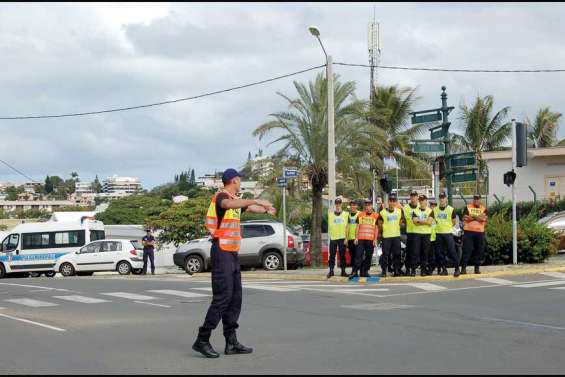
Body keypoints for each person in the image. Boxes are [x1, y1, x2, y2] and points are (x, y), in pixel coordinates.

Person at [193, 168, 276, 359]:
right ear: (234, 180)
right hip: (221, 252)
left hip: (231, 254)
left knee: (235, 297)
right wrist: (256, 199)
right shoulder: (222, 196)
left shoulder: (236, 201)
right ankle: (202, 339)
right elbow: (229, 204)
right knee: (222, 297)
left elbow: (245, 207)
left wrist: (265, 209)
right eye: (239, 180)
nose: (240, 182)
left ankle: (231, 342)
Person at [350, 199, 380, 278]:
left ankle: (365, 271)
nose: (367, 207)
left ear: (371, 206)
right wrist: (356, 237)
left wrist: (375, 239)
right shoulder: (360, 215)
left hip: (370, 240)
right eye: (366, 205)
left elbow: (376, 228)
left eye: (369, 205)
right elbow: (357, 226)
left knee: (369, 256)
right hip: (360, 239)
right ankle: (355, 271)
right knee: (358, 255)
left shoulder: (376, 215)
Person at [433, 192, 460, 277]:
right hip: (438, 234)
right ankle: (444, 269)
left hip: (448, 234)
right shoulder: (435, 210)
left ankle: (457, 269)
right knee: (440, 253)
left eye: (443, 197)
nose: (442, 199)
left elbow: (454, 221)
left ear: (446, 199)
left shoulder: (451, 209)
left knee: (452, 252)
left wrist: (447, 227)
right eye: (440, 197)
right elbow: (432, 220)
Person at [378, 193, 404, 277]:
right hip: (386, 237)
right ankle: (384, 271)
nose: (392, 202)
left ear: (396, 202)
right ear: (388, 202)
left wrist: (401, 225)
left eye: (394, 201)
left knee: (397, 254)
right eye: (390, 201)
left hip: (396, 236)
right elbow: (379, 225)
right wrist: (381, 233)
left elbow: (402, 222)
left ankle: (396, 270)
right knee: (385, 255)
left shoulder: (399, 211)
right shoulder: (382, 212)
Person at [461, 193, 488, 275]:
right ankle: (463, 269)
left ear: (480, 199)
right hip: (468, 232)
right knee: (466, 250)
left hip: (480, 232)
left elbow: (484, 218)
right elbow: (465, 218)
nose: (476, 200)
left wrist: (472, 217)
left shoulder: (484, 209)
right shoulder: (468, 207)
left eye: (478, 199)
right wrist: (477, 217)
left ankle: (477, 269)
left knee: (479, 251)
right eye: (475, 198)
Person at [412, 194, 435, 277]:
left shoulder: (430, 211)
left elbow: (429, 222)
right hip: (417, 234)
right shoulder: (415, 211)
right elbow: (414, 221)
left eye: (423, 200)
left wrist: (419, 221)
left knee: (425, 253)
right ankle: (413, 270)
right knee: (415, 252)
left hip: (426, 235)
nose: (421, 202)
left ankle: (423, 270)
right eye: (420, 200)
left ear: (426, 201)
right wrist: (425, 221)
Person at [327, 198, 349, 278]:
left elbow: (347, 227)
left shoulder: (346, 214)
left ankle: (343, 271)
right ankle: (331, 271)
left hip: (342, 238)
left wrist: (346, 238)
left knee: (342, 255)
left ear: (341, 204)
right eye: (337, 203)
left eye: (339, 203)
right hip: (333, 238)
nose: (338, 205)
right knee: (332, 256)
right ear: (335, 204)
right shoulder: (330, 214)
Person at [402, 191, 419, 276]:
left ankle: (413, 269)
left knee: (415, 252)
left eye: (415, 196)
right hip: (409, 233)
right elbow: (403, 220)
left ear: (417, 197)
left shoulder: (420, 207)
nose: (413, 198)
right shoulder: (405, 208)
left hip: (418, 232)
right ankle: (408, 268)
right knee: (408, 252)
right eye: (412, 196)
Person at [346, 200, 361, 275]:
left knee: (357, 256)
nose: (353, 206)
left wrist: (357, 237)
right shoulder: (348, 215)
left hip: (357, 239)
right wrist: (346, 237)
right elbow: (347, 227)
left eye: (354, 205)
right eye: (351, 205)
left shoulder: (360, 214)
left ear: (357, 206)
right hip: (350, 238)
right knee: (352, 256)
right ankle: (353, 270)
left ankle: (356, 271)